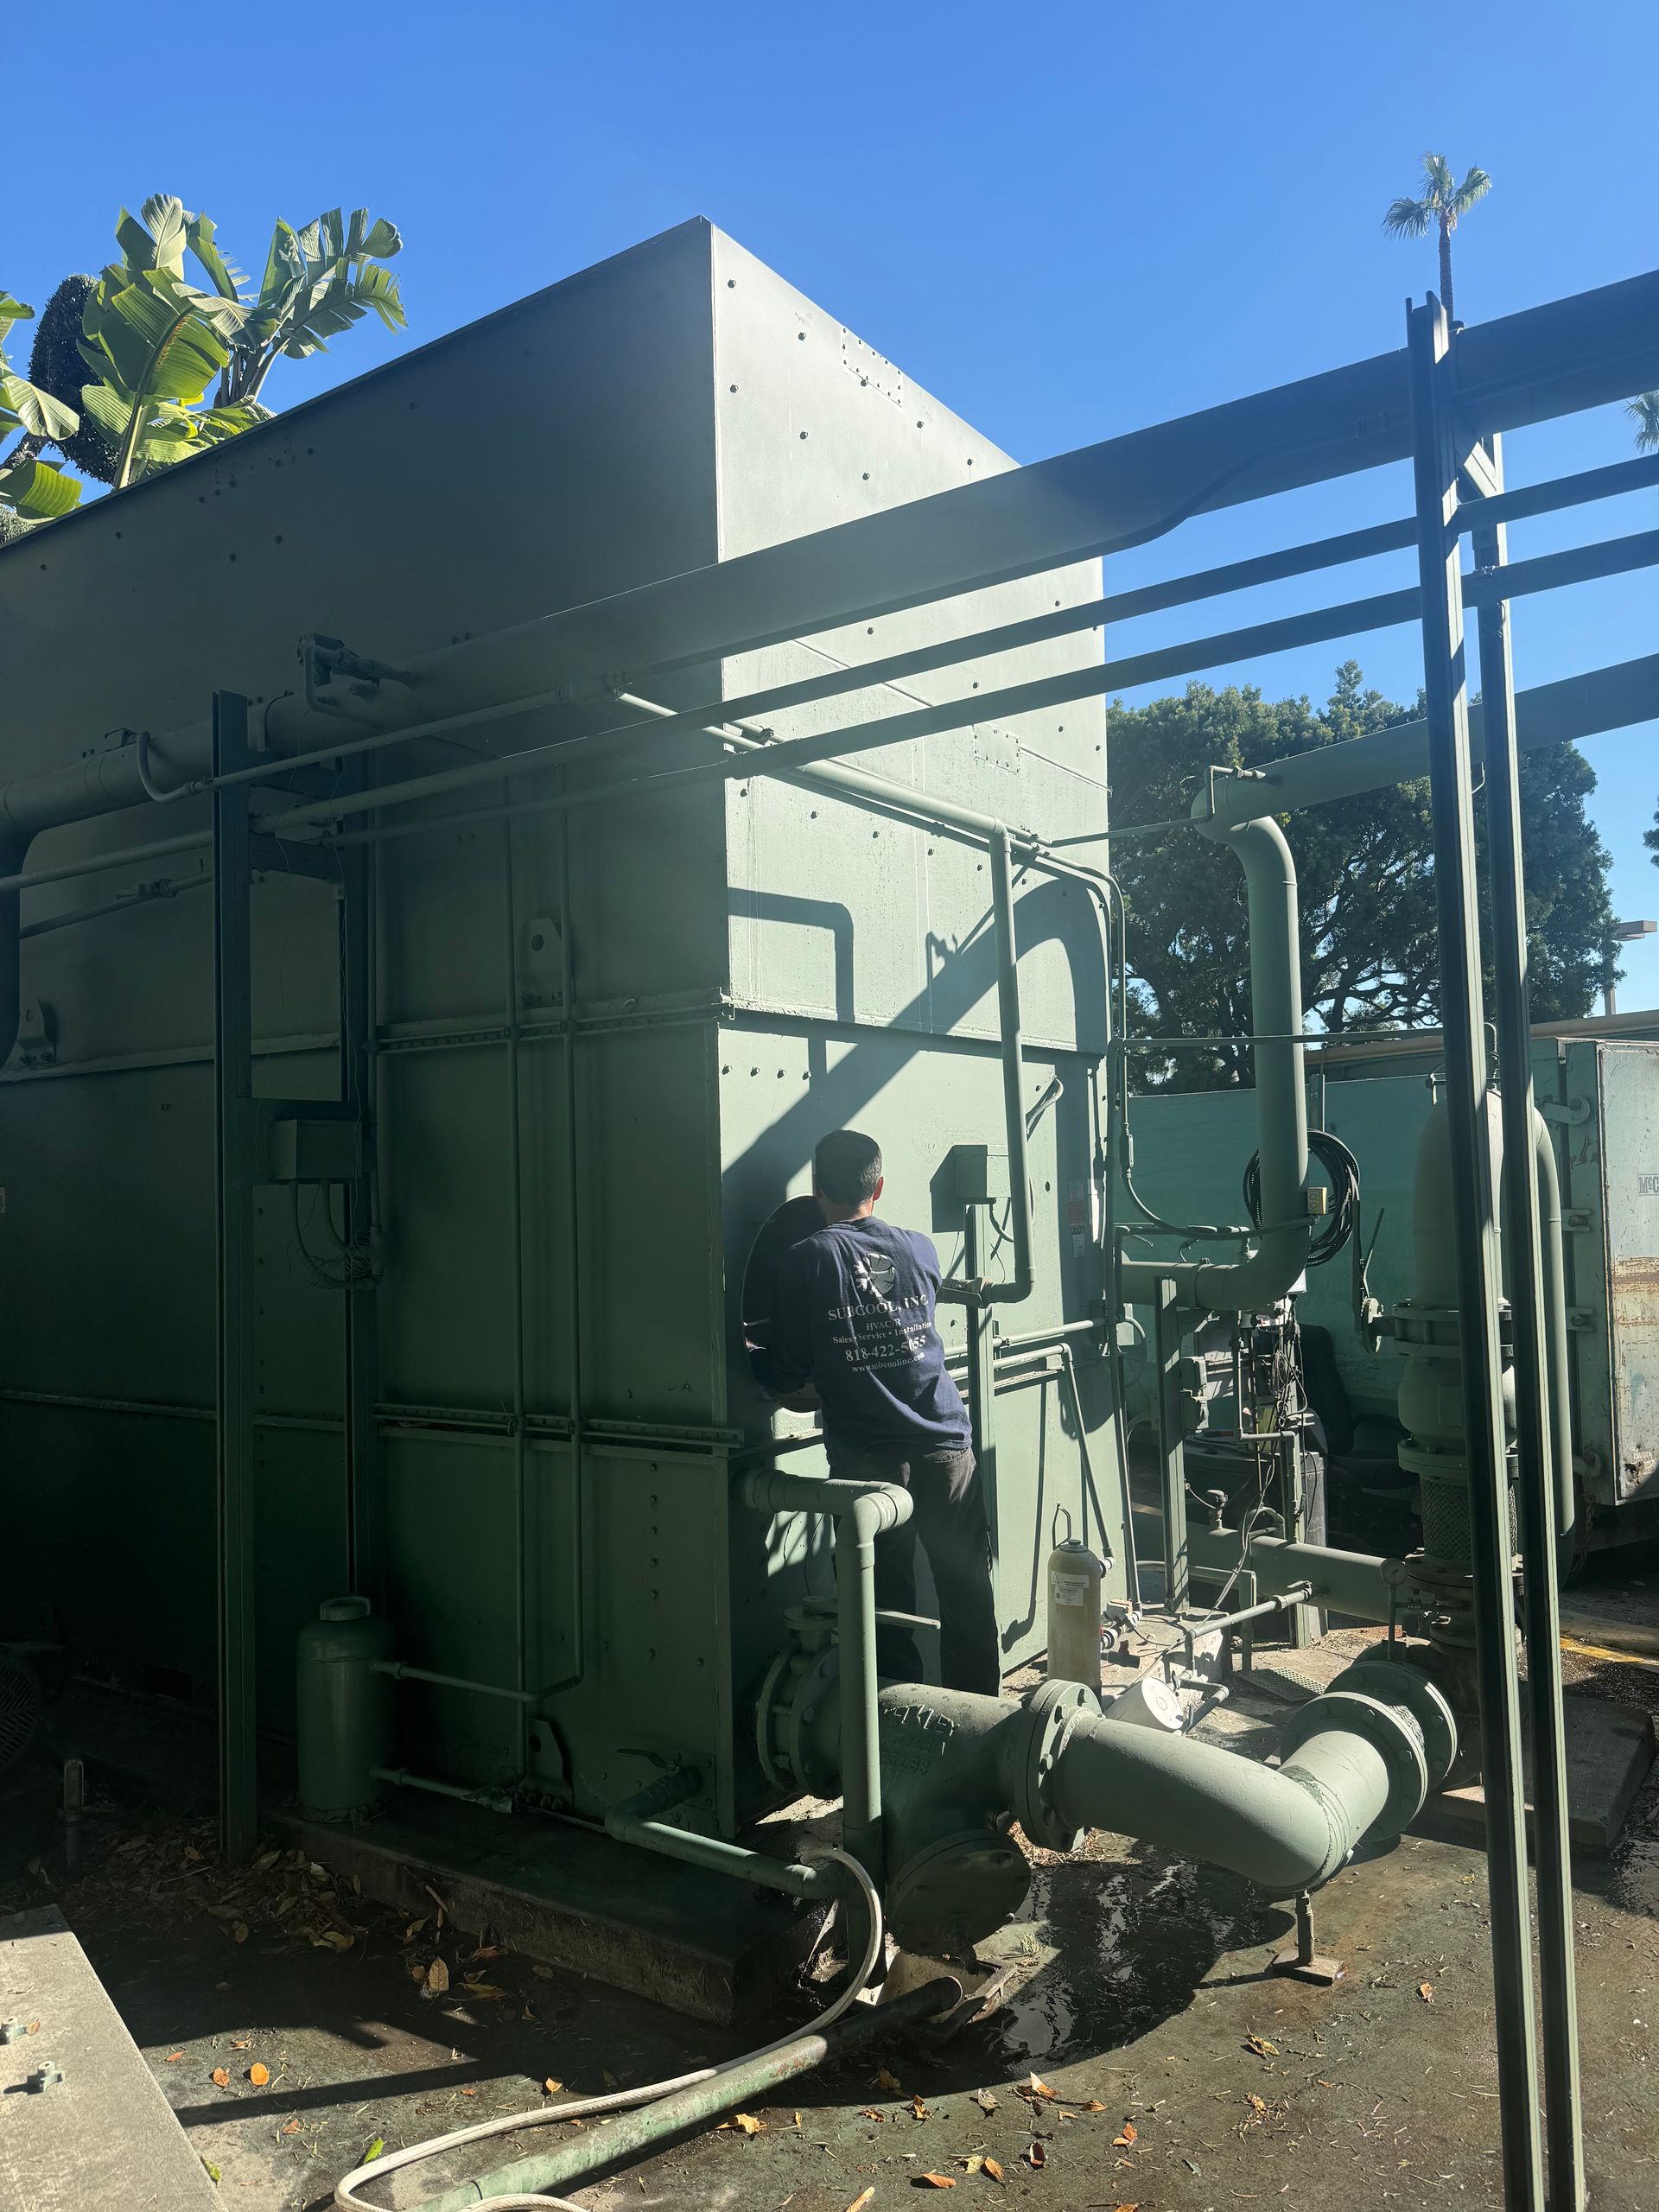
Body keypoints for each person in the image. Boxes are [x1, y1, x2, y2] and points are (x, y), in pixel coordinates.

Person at [750, 1128, 1000, 1694]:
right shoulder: (921, 1248)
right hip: (946, 1446)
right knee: (966, 1596)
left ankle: (893, 1737)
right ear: (879, 1186)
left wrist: (754, 1360)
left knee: (883, 1610)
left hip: (870, 1464)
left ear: (817, 1191)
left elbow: (786, 1376)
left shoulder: (804, 1260)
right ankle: (982, 1731)